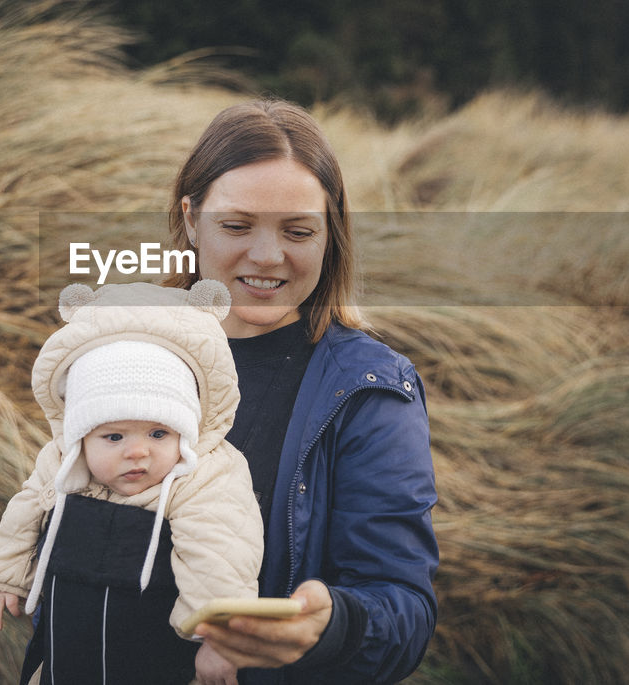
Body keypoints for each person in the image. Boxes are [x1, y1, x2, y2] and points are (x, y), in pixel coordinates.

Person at [166, 99, 439, 684]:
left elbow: (404, 610)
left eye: (297, 231)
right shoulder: (124, 350)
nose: (267, 257)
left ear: (330, 234)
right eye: (236, 226)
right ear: (191, 219)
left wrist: (331, 626)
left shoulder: (370, 391)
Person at [0, 280, 264, 685]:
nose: (138, 452)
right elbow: (25, 509)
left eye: (159, 434)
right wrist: (6, 577)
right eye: (114, 437)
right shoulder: (63, 460)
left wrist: (218, 640)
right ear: (82, 435)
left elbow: (220, 553)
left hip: (160, 660)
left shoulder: (204, 475)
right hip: (70, 651)